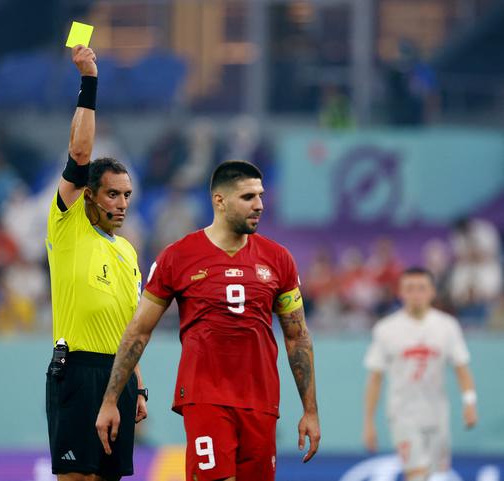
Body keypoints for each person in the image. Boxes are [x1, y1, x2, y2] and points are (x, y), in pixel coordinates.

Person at [96, 160, 321, 481]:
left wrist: (310, 411)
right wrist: (110, 400)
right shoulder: (178, 256)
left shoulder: (279, 260)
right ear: (219, 200)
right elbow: (138, 332)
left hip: (261, 402)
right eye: (247, 197)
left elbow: (297, 337)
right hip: (206, 398)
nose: (259, 205)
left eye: (260, 196)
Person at [44, 45, 147, 481]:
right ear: (88, 195)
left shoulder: (128, 252)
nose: (121, 204)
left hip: (117, 376)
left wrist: (138, 386)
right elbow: (81, 153)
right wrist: (89, 81)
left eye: (126, 195)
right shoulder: (67, 224)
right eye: (112, 194)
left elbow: (132, 327)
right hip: (77, 369)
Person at [363, 267, 478, 481]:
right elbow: (375, 379)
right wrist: (369, 421)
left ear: (432, 292)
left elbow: (461, 368)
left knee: (434, 473)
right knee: (416, 473)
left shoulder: (447, 326)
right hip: (403, 414)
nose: (416, 294)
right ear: (401, 292)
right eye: (410, 288)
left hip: (437, 414)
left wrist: (469, 402)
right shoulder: (386, 329)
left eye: (421, 288)